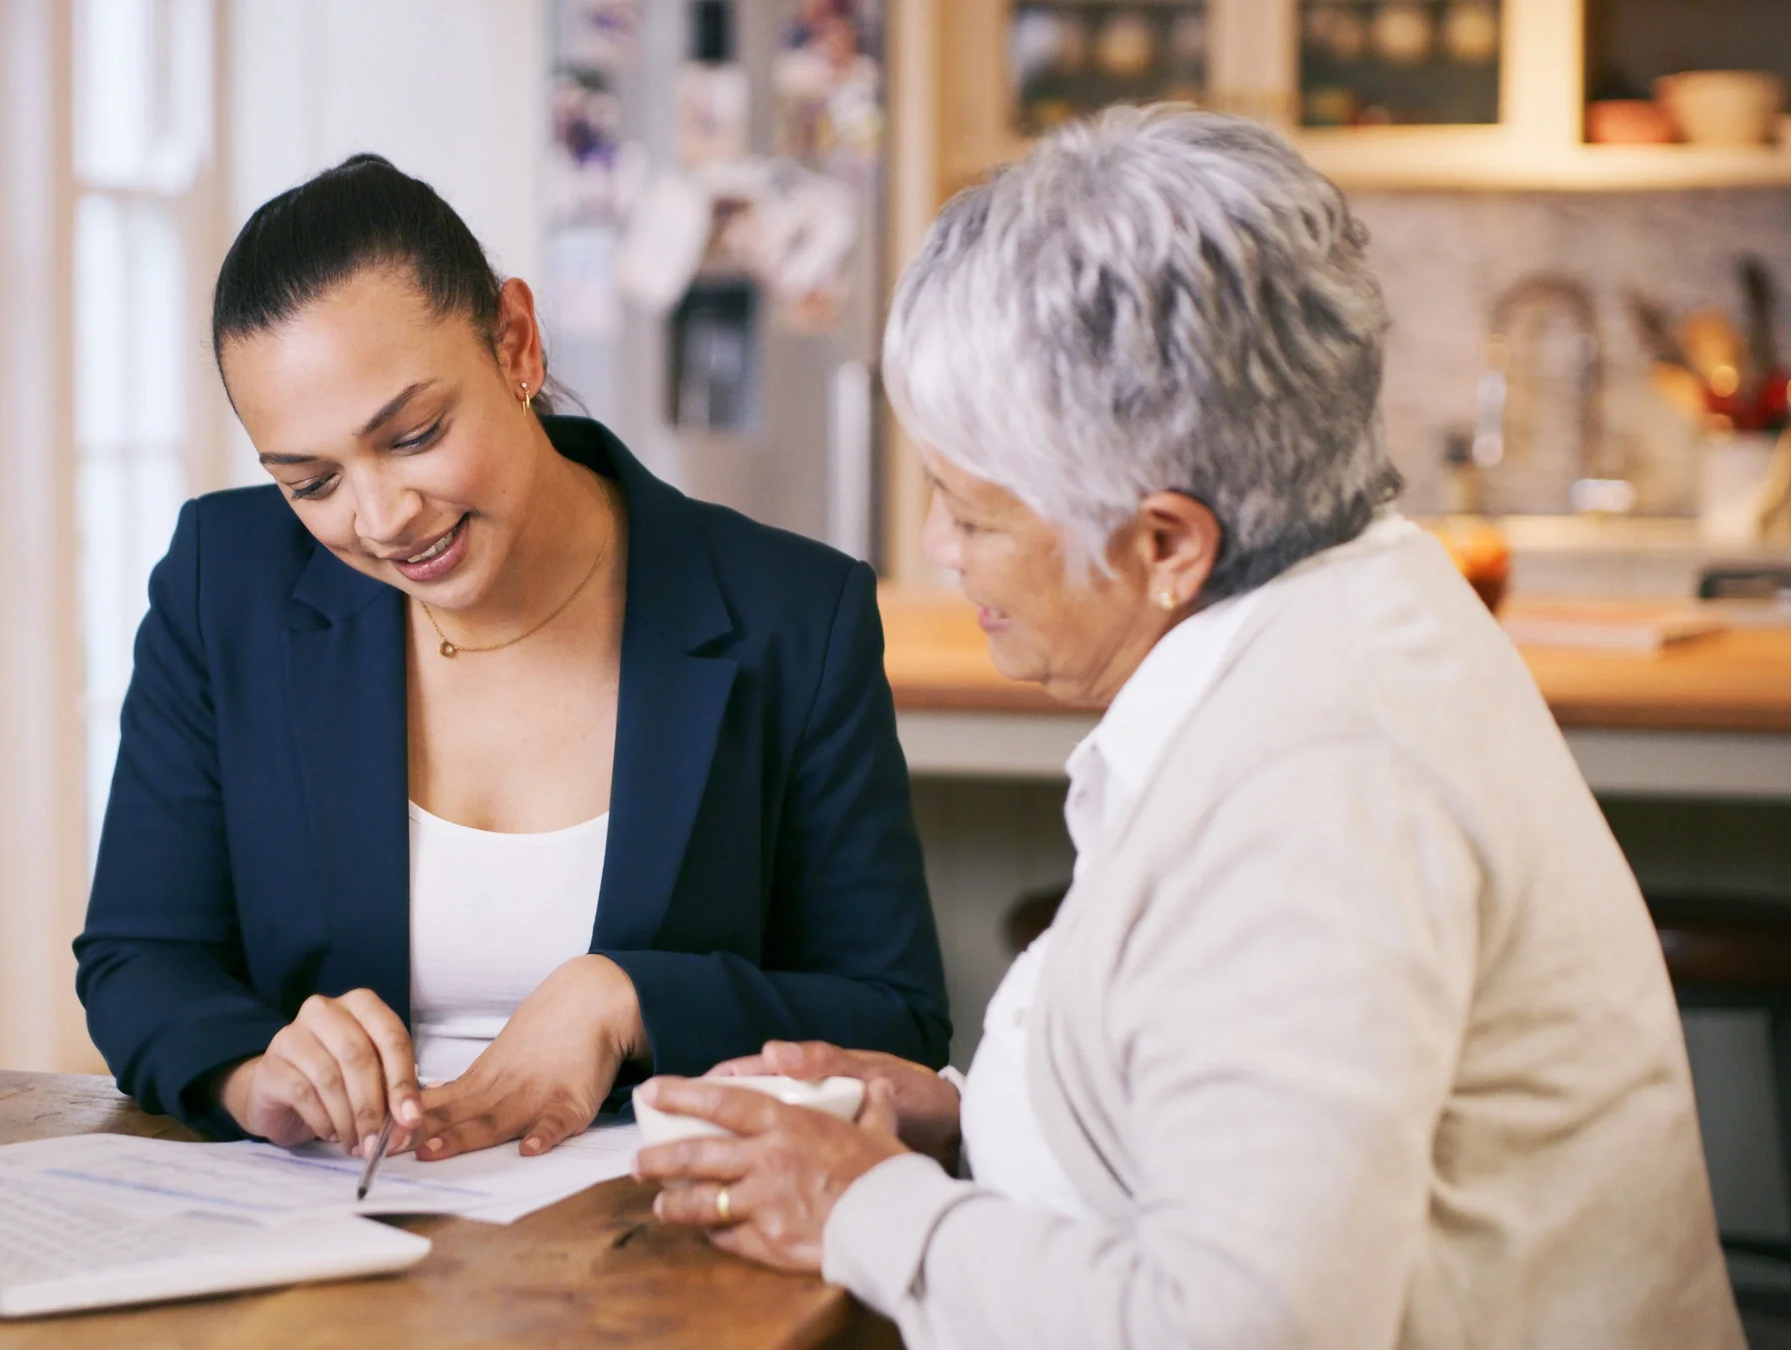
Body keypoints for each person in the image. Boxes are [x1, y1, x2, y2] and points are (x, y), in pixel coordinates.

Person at [634, 107, 1740, 1348]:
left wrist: (864, 1208)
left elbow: (1243, 1326)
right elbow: (1223, 1103)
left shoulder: (1316, 797)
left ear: (1165, 545)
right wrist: (965, 1113)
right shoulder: (1343, 605)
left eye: (972, 512)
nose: (941, 553)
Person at [75, 154, 949, 1166]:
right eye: (311, 483)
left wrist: (626, 998)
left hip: (653, 1243)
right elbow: (140, 958)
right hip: (332, 1237)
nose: (382, 519)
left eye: (414, 435)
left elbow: (897, 1020)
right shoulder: (221, 583)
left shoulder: (791, 615)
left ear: (516, 343)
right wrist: (254, 1073)